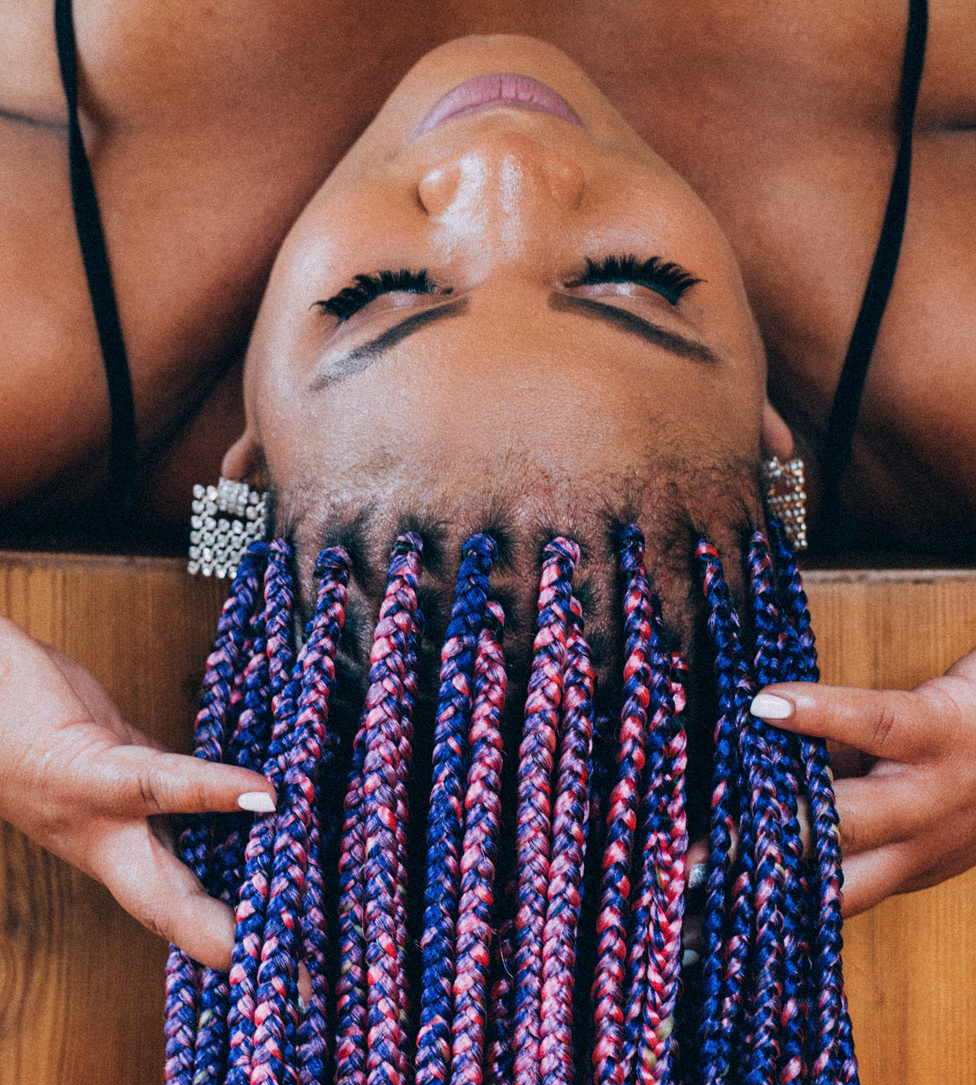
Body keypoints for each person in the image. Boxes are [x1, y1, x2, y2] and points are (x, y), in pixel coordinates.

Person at [0, 24, 974, 972]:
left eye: (380, 292)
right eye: (633, 284)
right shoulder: (933, 337)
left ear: (247, 476)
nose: (501, 170)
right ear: (772, 447)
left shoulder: (45, 328)